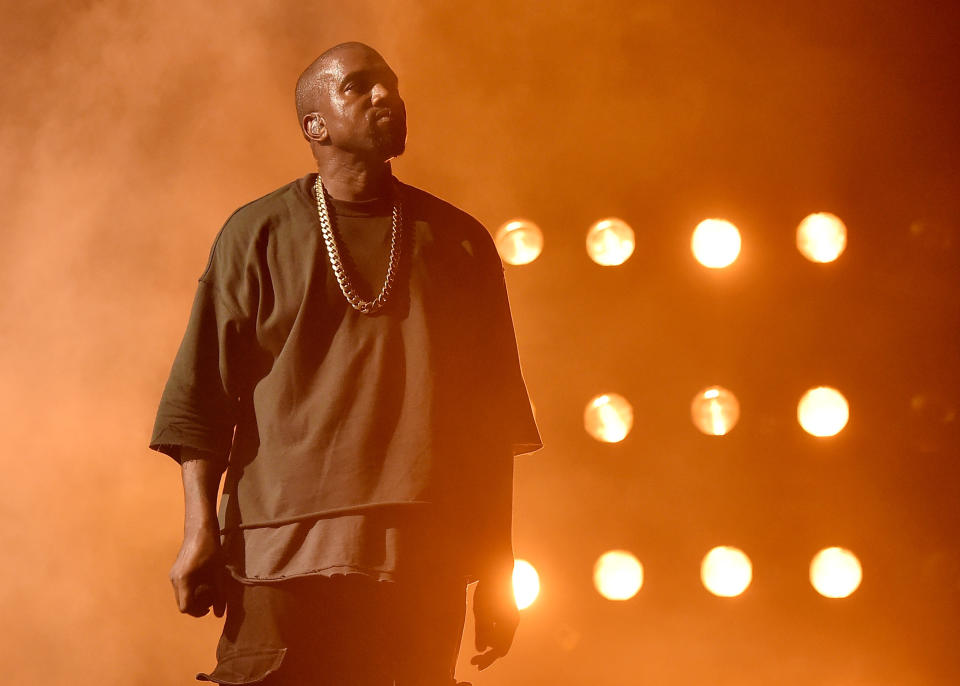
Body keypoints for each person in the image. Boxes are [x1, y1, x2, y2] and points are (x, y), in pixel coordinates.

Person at [149, 41, 542, 685]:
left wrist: (498, 569)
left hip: (423, 553)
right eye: (359, 86)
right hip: (280, 550)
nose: (386, 96)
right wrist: (199, 534)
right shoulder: (258, 233)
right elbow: (202, 401)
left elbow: (490, 424)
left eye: (391, 84)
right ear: (315, 125)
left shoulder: (460, 242)